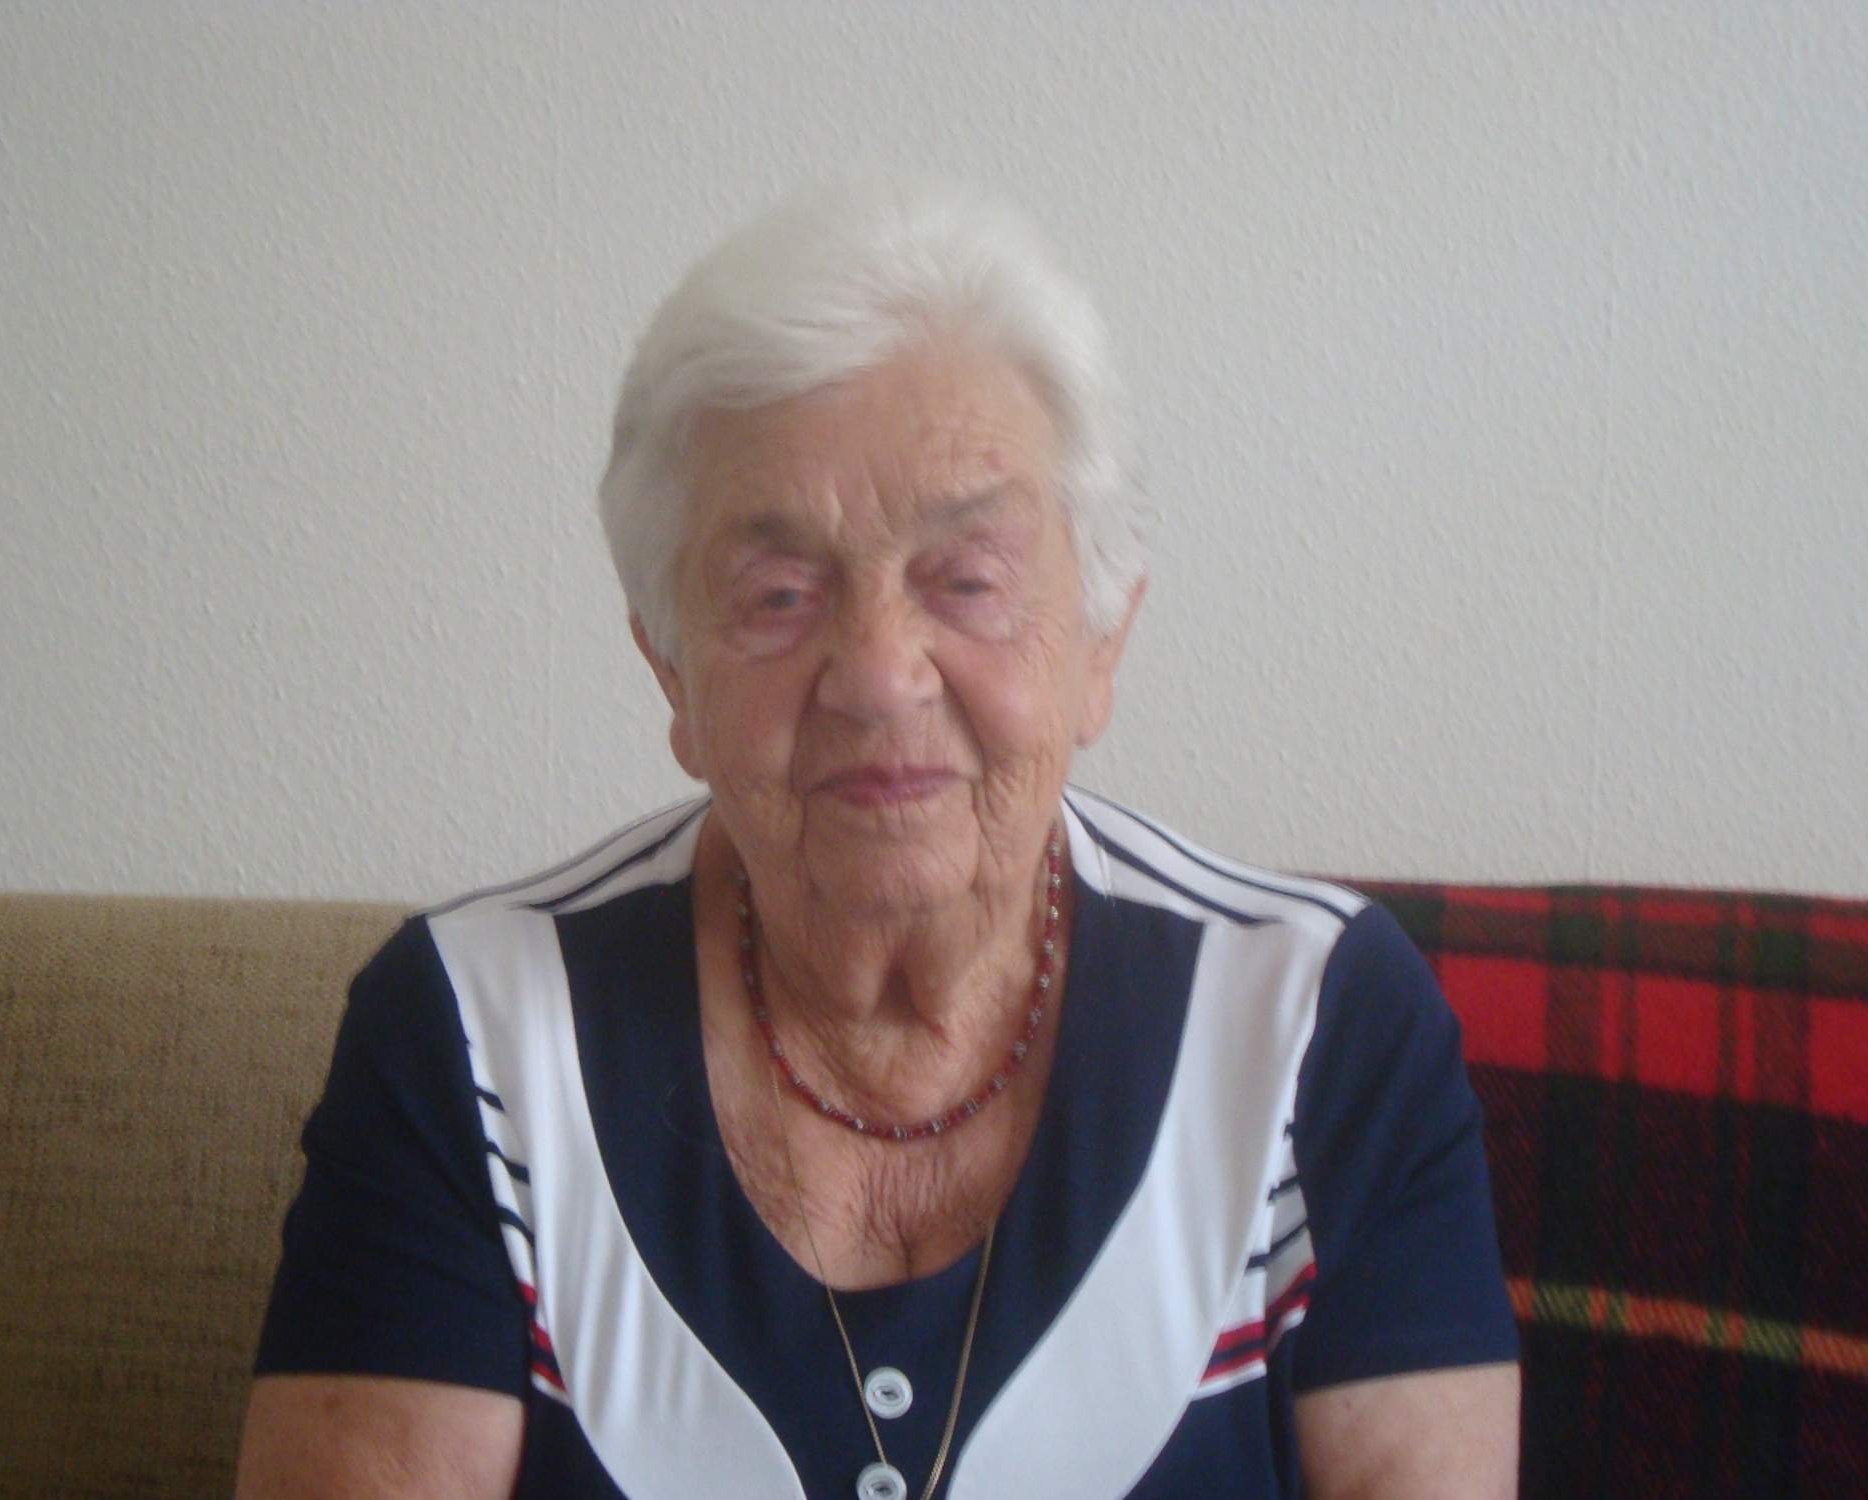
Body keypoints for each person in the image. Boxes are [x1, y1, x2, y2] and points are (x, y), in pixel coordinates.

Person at [234, 178, 1519, 1500]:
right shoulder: (476, 1033)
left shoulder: (1312, 1025)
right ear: (671, 673)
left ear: (1101, 640)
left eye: (967, 580)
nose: (880, 673)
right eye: (779, 594)